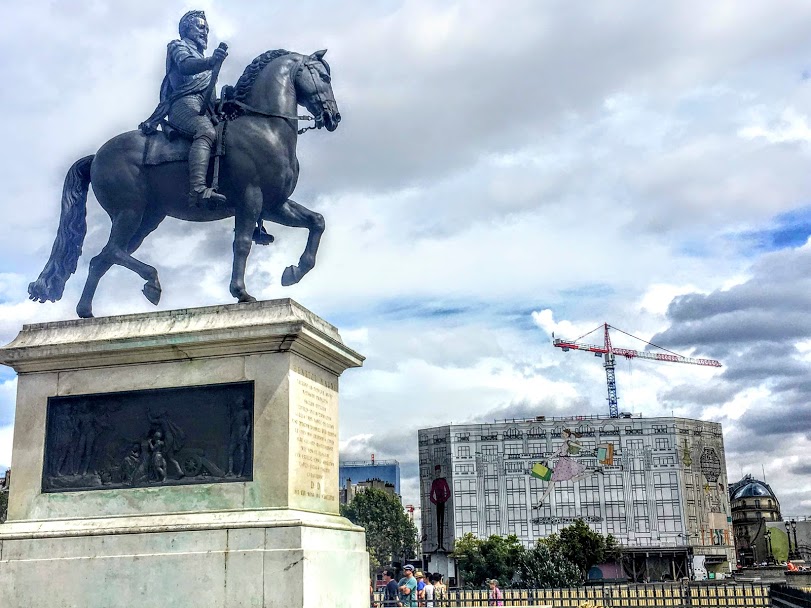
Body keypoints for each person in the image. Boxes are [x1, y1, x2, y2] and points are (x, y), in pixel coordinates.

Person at [140, 10, 229, 208]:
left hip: (204, 108)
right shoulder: (177, 46)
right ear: (186, 28)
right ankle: (197, 190)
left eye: (207, 29)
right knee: (205, 131)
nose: (205, 32)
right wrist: (211, 61)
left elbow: (211, 99)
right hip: (183, 104)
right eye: (200, 27)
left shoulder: (203, 58)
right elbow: (185, 66)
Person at [429, 465, 451, 551]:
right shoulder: (434, 482)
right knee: (438, 524)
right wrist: (436, 502)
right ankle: (439, 545)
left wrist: (444, 500)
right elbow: (431, 495)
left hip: (442, 502)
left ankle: (442, 545)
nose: (437, 474)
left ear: (440, 472)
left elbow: (448, 492)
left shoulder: (443, 480)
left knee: (442, 523)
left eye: (438, 472)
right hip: (438, 503)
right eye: (436, 472)